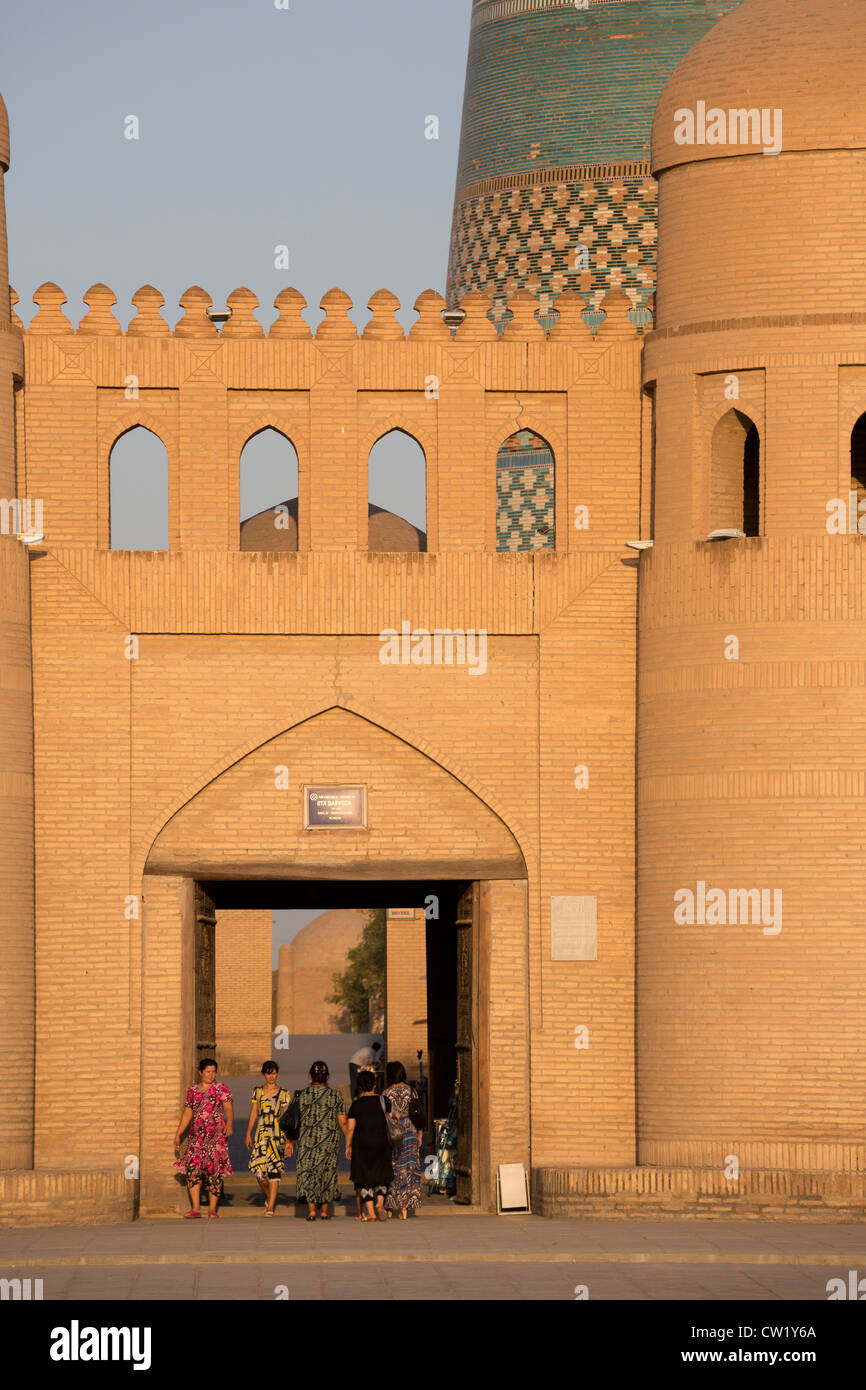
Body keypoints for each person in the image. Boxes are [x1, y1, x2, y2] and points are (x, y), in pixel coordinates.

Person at [283, 1060, 347, 1220]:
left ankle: (312, 1210)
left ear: (310, 1076)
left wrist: (289, 1141)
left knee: (308, 1173)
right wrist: (350, 1140)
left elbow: (293, 1121)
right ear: (327, 1077)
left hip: (306, 1142)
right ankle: (325, 1211)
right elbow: (342, 1121)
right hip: (329, 1142)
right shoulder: (335, 1095)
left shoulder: (301, 1095)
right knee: (327, 1172)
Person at [173, 1058, 233, 1218]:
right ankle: (196, 1208)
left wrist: (230, 1123)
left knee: (215, 1172)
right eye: (207, 1071)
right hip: (196, 1139)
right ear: (200, 1072)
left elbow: (228, 1107)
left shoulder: (221, 1089)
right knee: (192, 1170)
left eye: (213, 1071)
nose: (211, 1074)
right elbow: (187, 1113)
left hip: (217, 1138)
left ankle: (212, 1209)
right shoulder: (192, 1091)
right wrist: (178, 1133)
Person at [345, 1068, 394, 1221]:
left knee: (365, 1179)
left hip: (362, 1145)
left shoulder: (356, 1105)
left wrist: (348, 1146)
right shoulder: (384, 1101)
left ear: (360, 1086)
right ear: (374, 1084)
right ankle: (380, 1203)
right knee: (382, 1176)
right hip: (382, 1143)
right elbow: (390, 1121)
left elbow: (350, 1128)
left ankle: (371, 1213)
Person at [245, 1060, 291, 1216]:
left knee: (274, 1170)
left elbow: (288, 1117)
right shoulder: (257, 1091)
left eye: (274, 1073)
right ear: (263, 1074)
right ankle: (270, 1196)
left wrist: (290, 1139)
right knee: (258, 1171)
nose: (271, 1076)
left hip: (278, 1134)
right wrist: (248, 1133)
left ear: (277, 1073)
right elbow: (253, 1113)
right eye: (268, 1073)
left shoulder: (284, 1093)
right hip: (261, 1133)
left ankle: (270, 1206)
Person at [383, 1060, 423, 1219]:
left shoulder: (386, 1093)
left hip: (393, 1134)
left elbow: (384, 1115)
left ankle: (390, 1206)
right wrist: (420, 1135)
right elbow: (418, 1114)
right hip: (411, 1132)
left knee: (393, 1168)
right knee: (408, 1168)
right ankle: (404, 1209)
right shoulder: (412, 1091)